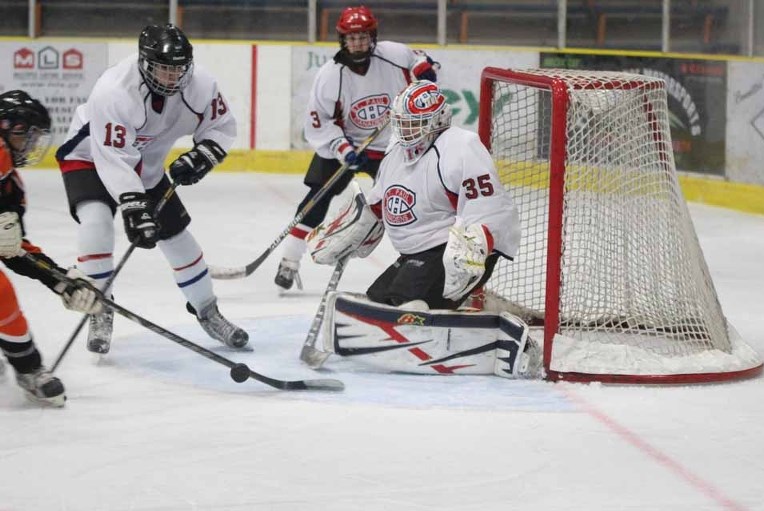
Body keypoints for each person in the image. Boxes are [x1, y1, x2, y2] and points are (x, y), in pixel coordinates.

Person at [306, 81, 533, 378]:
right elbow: (379, 203)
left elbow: (490, 208)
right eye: (401, 123)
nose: (405, 131)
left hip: (462, 253)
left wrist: (473, 251)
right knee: (378, 301)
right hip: (418, 254)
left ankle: (488, 341)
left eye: (414, 124)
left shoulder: (459, 147)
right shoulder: (397, 151)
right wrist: (355, 228)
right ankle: (449, 315)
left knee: (408, 305)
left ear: (437, 121)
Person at [56, 23, 248, 355]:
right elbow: (113, 156)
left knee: (176, 237)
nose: (172, 77)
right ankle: (100, 307)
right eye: (163, 68)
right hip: (89, 155)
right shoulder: (114, 90)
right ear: (145, 62)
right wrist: (134, 207)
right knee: (97, 222)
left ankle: (208, 311)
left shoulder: (201, 84)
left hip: (145, 163)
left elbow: (221, 125)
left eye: (178, 68)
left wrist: (204, 154)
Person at [274, 4, 439, 291]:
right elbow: (319, 122)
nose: (358, 43)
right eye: (352, 38)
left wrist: (424, 71)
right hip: (350, 143)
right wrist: (343, 150)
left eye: (363, 37)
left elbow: (420, 59)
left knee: (409, 202)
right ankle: (289, 260)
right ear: (343, 40)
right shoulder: (330, 76)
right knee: (317, 198)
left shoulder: (393, 54)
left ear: (372, 36)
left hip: (392, 145)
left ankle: (422, 263)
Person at [0, 90, 103, 406]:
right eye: (28, 136)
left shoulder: (11, 186)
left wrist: (59, 279)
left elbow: (12, 249)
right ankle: (29, 368)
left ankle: (27, 367)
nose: (31, 145)